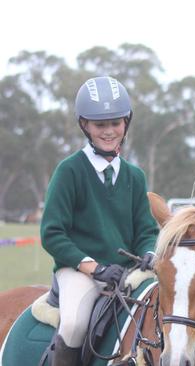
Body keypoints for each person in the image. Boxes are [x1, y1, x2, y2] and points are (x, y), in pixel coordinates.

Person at [40, 76, 159, 366]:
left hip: (126, 273)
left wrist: (148, 252)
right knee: (73, 325)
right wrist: (95, 268)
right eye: (100, 125)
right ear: (85, 125)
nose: (109, 131)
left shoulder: (134, 176)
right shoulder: (69, 171)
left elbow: (146, 229)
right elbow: (52, 233)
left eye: (115, 123)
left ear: (126, 123)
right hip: (79, 273)